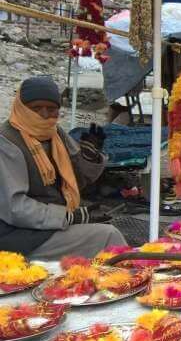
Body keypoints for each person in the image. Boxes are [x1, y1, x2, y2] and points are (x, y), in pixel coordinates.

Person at [0, 77, 126, 258]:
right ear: (21, 107)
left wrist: (90, 157)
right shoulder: (8, 141)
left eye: (51, 109)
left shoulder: (55, 133)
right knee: (108, 236)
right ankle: (128, 283)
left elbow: (77, 180)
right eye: (36, 108)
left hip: (48, 224)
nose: (44, 115)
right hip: (18, 234)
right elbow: (15, 207)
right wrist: (67, 217)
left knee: (107, 231)